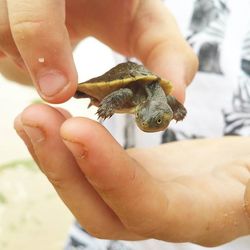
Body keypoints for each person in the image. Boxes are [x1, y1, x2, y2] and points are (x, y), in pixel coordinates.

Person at [0, 0, 250, 249]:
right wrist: (36, 44)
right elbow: (17, 70)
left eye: (158, 120)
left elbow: (168, 105)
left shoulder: (163, 102)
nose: (147, 122)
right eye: (145, 117)